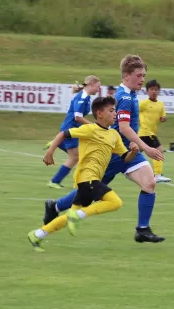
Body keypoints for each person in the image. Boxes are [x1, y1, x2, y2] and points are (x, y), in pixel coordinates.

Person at [42, 55, 166, 243]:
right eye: (139, 75)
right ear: (126, 76)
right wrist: (147, 148)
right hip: (112, 154)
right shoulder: (124, 97)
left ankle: (142, 229)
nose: (142, 79)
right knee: (88, 194)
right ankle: (55, 206)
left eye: (144, 75)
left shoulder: (131, 95)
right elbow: (124, 128)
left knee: (149, 183)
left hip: (128, 152)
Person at [28, 96, 139, 252]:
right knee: (115, 203)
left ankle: (37, 235)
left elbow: (125, 158)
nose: (115, 113)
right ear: (100, 113)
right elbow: (63, 134)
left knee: (70, 216)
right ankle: (78, 215)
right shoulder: (90, 129)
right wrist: (50, 152)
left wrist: (133, 152)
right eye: (112, 110)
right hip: (86, 177)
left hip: (93, 180)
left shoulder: (114, 135)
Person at [45, 76, 101, 189]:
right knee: (75, 158)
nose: (99, 89)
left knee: (77, 156)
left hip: (73, 129)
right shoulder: (83, 97)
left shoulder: (86, 97)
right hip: (70, 129)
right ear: (91, 84)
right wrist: (94, 127)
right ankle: (54, 181)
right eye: (98, 86)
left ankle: (57, 142)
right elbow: (77, 117)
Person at [139, 79, 171, 183]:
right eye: (151, 89)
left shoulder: (161, 104)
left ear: (158, 91)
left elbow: (163, 116)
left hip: (150, 132)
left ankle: (119, 166)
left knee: (134, 152)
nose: (154, 91)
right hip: (146, 132)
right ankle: (157, 175)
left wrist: (163, 119)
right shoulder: (143, 103)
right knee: (159, 150)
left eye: (156, 90)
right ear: (147, 91)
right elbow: (134, 112)